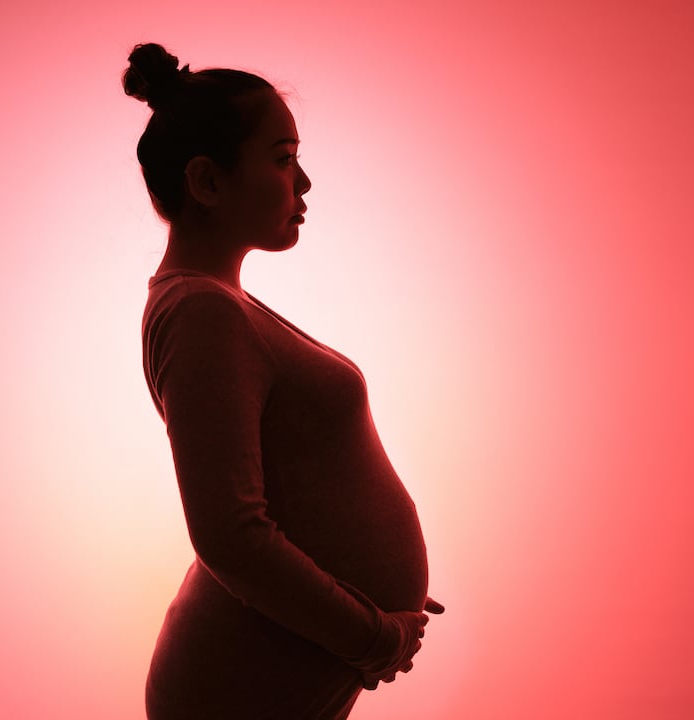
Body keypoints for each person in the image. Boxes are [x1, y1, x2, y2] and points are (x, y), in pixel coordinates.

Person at [125, 42, 442, 719]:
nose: (303, 184)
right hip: (235, 688)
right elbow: (230, 535)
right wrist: (371, 630)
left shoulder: (216, 305)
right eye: (282, 158)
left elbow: (296, 478)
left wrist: (378, 583)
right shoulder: (201, 311)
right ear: (207, 182)